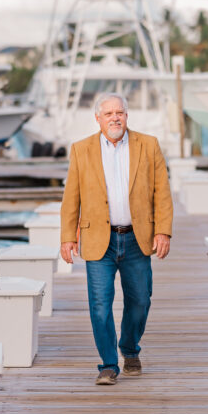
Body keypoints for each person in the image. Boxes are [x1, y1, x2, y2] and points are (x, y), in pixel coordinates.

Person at [60, 92, 174, 385]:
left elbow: (162, 192)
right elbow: (71, 198)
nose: (115, 118)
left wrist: (163, 230)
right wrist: (67, 237)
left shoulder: (148, 146)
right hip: (99, 239)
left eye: (119, 112)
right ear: (97, 118)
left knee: (140, 301)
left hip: (137, 238)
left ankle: (129, 348)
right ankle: (108, 364)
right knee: (100, 304)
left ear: (127, 116)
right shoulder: (81, 149)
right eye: (108, 113)